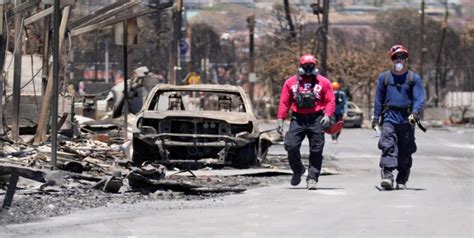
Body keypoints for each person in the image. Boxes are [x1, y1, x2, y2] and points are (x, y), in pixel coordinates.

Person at [277, 54, 335, 190]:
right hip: (298, 118)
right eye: (305, 65)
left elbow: (330, 100)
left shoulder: (324, 82)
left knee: (316, 149)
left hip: (316, 119)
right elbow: (284, 102)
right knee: (290, 145)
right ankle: (298, 170)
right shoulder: (291, 82)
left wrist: (327, 115)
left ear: (315, 67)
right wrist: (280, 119)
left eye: (311, 65)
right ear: (300, 66)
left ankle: (313, 178)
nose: (308, 68)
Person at [372, 44, 425, 190]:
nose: (399, 60)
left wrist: (415, 113)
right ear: (392, 59)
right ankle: (388, 176)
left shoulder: (413, 78)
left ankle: (402, 179)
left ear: (406, 59)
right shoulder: (384, 78)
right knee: (388, 145)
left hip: (407, 118)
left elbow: (419, 98)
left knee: (405, 149)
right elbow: (378, 99)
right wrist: (376, 117)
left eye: (402, 56)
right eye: (396, 57)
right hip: (389, 117)